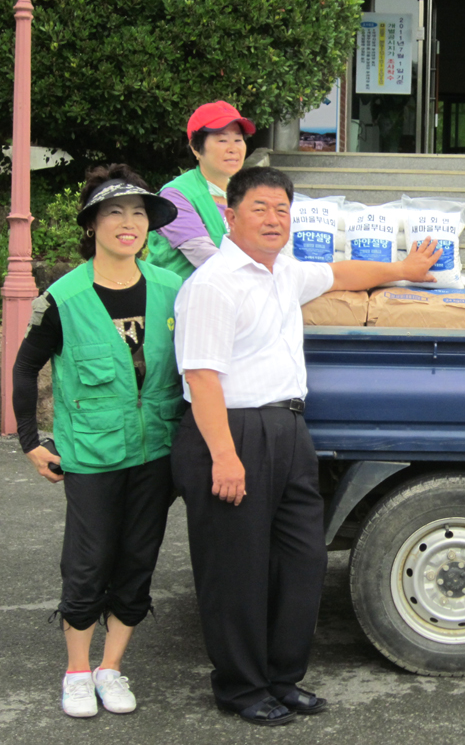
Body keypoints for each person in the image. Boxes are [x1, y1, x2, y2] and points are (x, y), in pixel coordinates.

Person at [171, 166, 441, 726]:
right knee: (236, 568)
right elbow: (201, 378)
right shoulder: (212, 284)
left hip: (289, 429)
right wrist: (224, 455)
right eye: (260, 208)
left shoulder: (283, 273)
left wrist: (406, 269)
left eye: (282, 210)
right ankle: (241, 688)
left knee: (301, 559)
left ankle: (281, 678)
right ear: (230, 215)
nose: (274, 219)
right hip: (232, 431)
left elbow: (341, 273)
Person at [12, 164, 183, 718]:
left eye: (138, 213)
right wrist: (30, 441)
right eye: (115, 212)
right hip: (91, 454)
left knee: (137, 560)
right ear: (93, 225)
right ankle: (77, 672)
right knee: (87, 564)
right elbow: (24, 366)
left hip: (155, 450)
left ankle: (112, 667)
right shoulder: (64, 297)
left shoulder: (171, 290)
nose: (128, 223)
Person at [146, 100, 255, 279]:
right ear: (196, 148)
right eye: (222, 140)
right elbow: (208, 259)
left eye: (238, 139)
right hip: (182, 301)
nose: (233, 148)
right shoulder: (176, 195)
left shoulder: (248, 192)